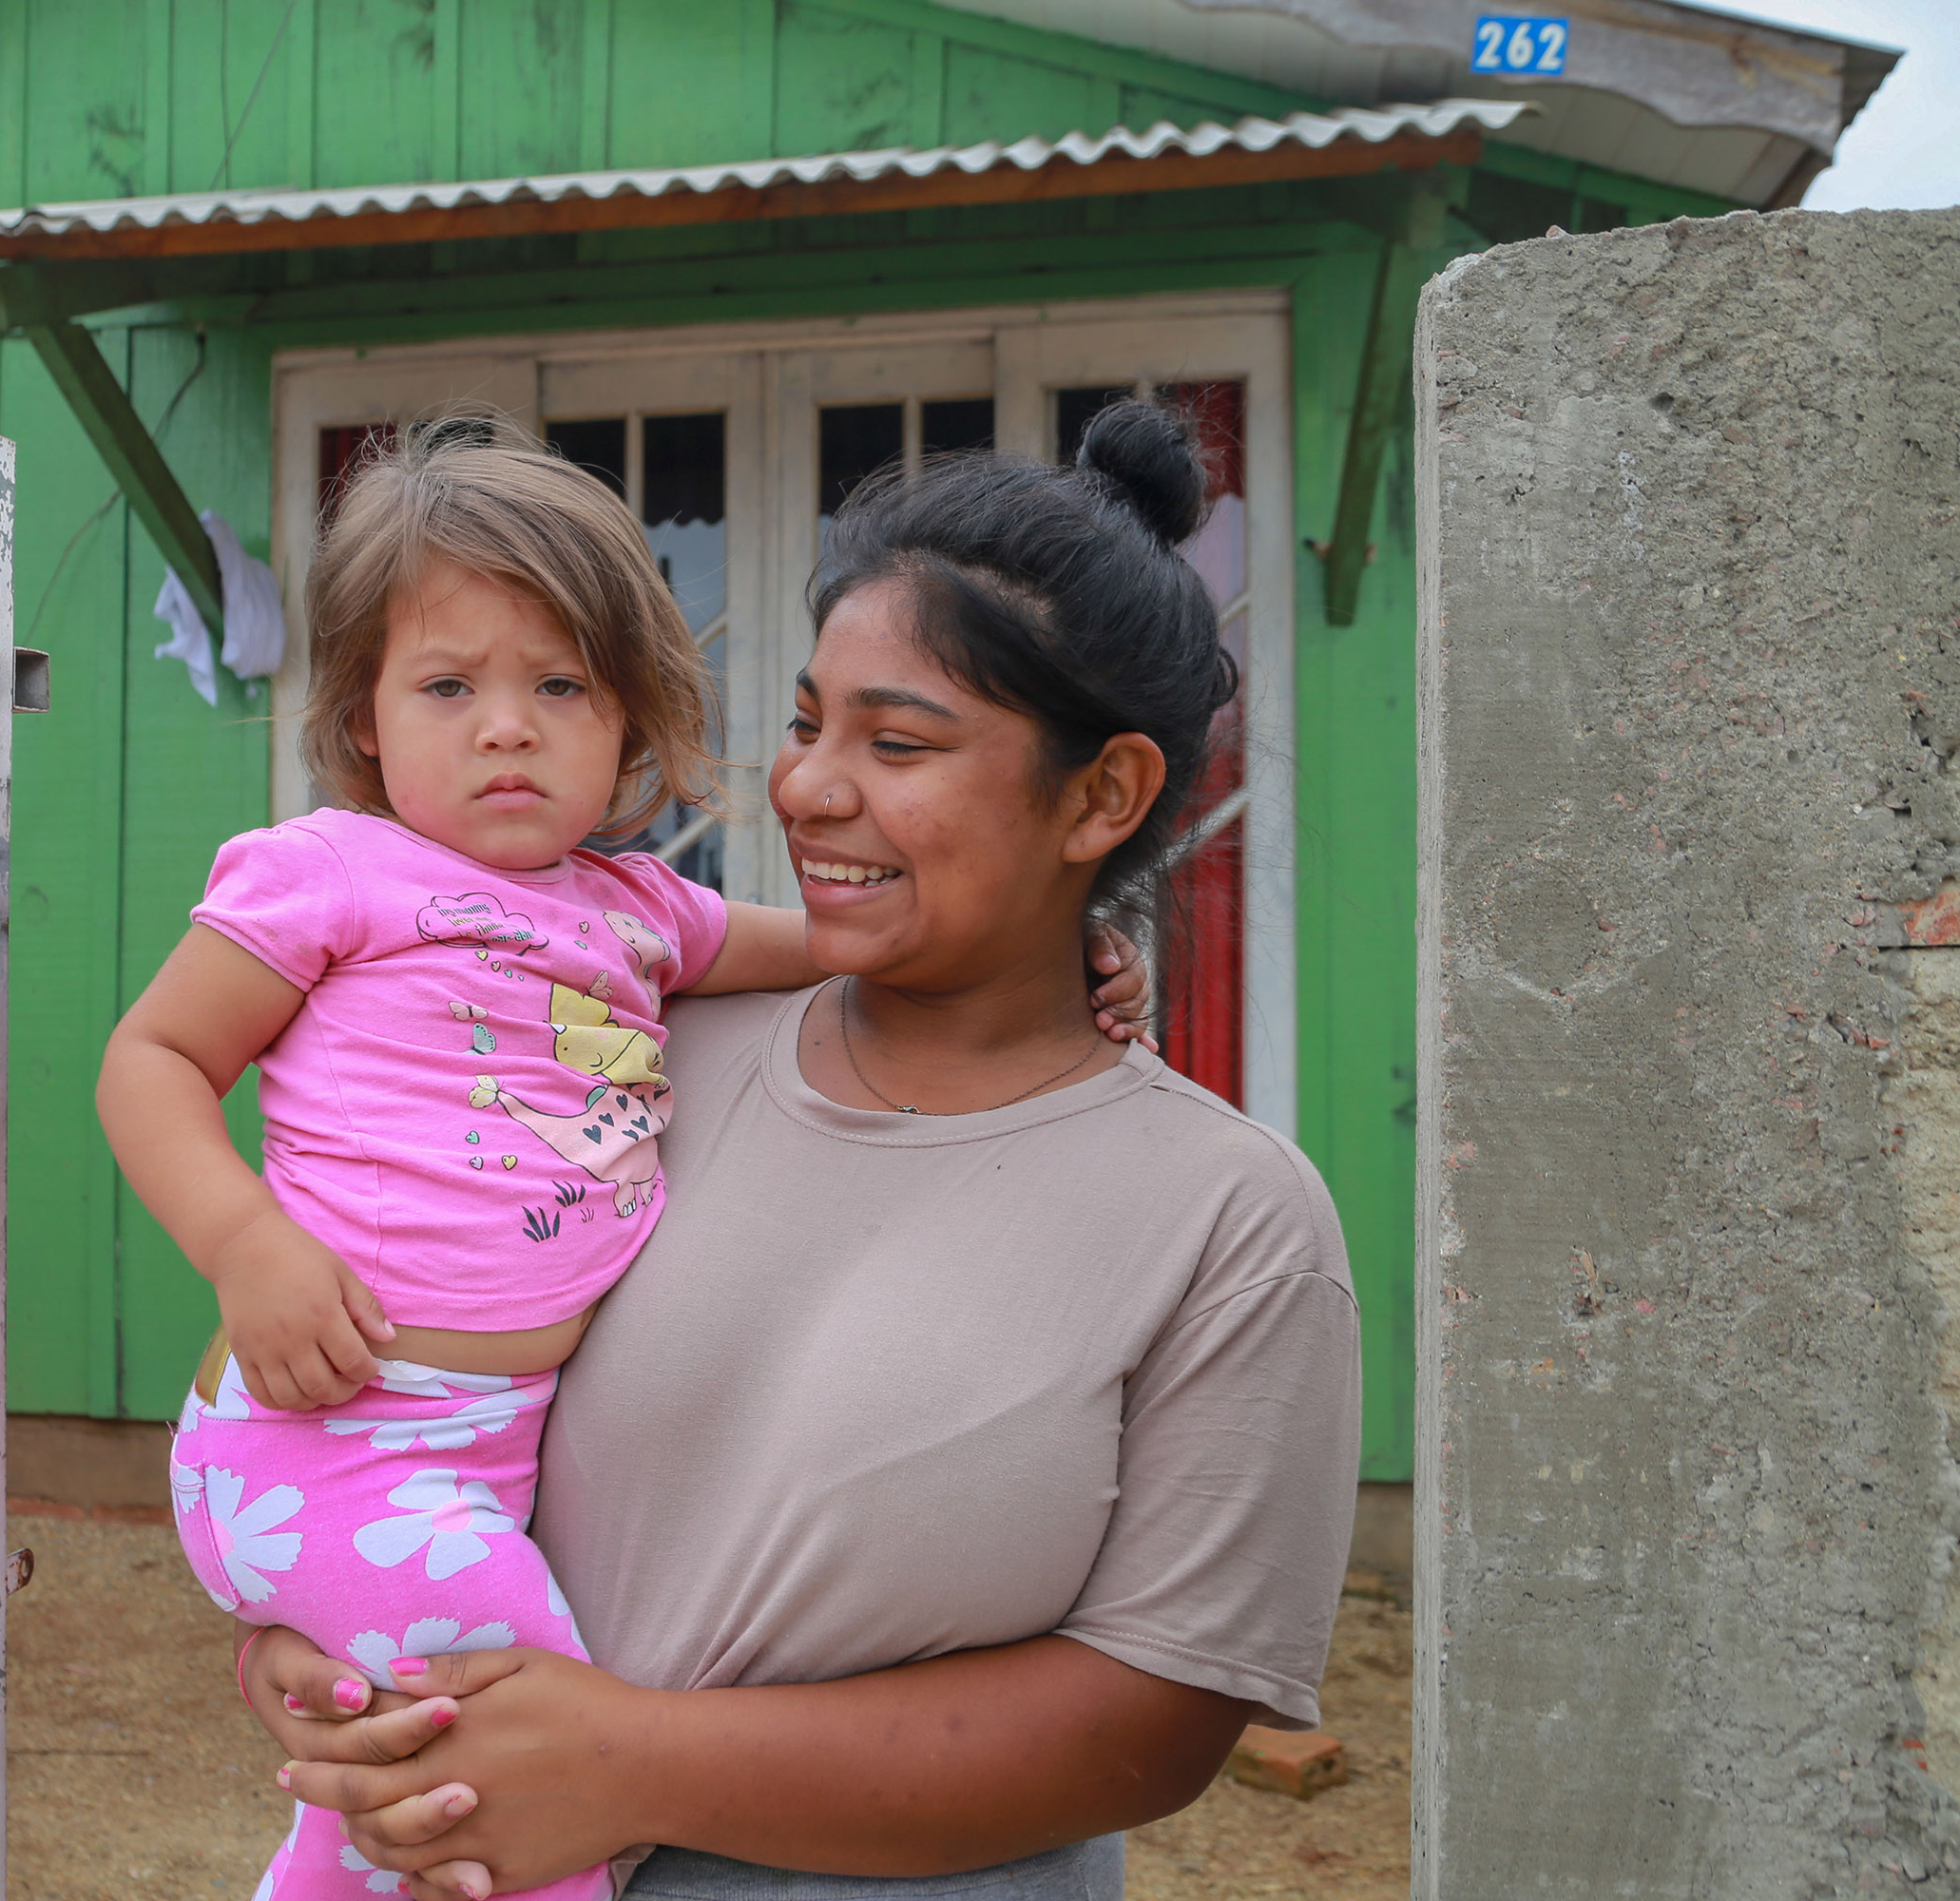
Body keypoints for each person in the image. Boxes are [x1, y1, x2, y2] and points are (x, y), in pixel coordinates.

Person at [232, 401, 1362, 1901]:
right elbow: (390, 1403)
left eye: (897, 742)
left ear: (1103, 795)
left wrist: (626, 1765)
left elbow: (1151, 1726)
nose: (809, 790)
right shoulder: (637, 1062)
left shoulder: (1226, 1220)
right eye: (806, 721)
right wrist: (312, 1645)